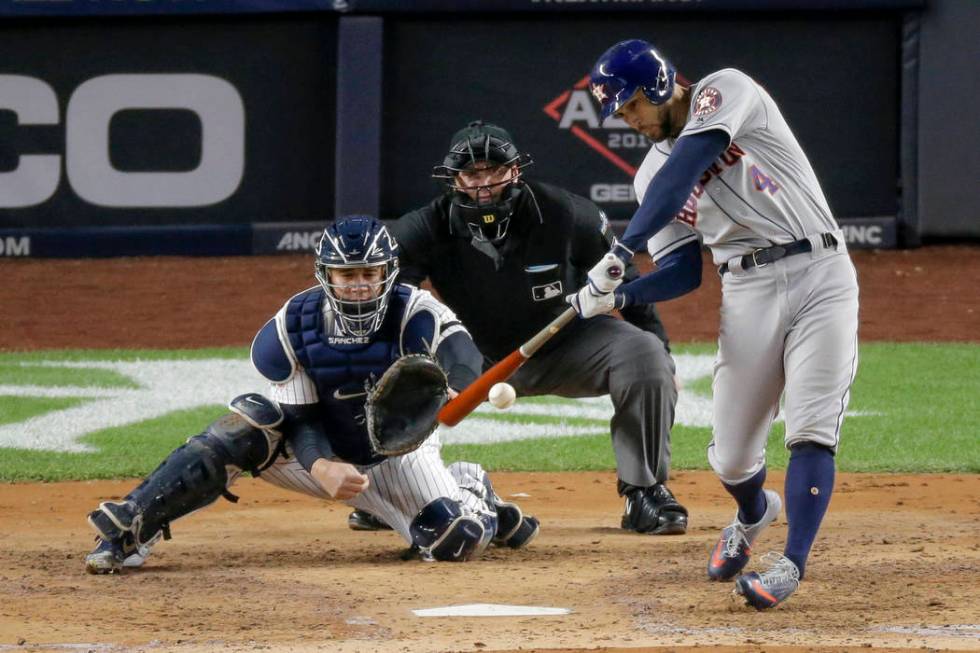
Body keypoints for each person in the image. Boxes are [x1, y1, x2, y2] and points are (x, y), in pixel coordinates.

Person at [84, 215, 539, 574]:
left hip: (402, 454)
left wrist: (457, 388)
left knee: (452, 542)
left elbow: (464, 356)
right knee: (249, 422)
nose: (360, 284)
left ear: (388, 272)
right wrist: (321, 466)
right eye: (348, 274)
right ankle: (132, 524)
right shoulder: (293, 324)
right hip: (319, 453)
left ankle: (470, 489)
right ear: (327, 275)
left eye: (370, 273)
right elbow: (299, 419)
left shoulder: (416, 311)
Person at [574, 39, 860, 609]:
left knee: (810, 426)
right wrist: (616, 297)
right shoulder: (646, 177)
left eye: (631, 105)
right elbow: (682, 271)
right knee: (730, 457)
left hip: (821, 271)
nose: (628, 121)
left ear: (659, 85)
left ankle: (790, 565)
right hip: (746, 290)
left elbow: (686, 168)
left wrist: (622, 249)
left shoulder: (725, 89)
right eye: (619, 112)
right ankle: (754, 512)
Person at [355, 120, 688, 537]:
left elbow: (626, 280)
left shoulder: (566, 214)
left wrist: (663, 351)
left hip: (567, 343)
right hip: (472, 355)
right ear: (454, 178)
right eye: (473, 174)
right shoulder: (425, 228)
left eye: (495, 171)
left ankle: (645, 493)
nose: (485, 184)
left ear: (515, 171)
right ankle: (395, 490)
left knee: (644, 356)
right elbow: (389, 300)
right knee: (391, 363)